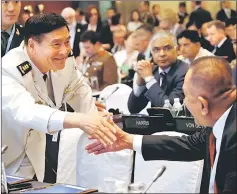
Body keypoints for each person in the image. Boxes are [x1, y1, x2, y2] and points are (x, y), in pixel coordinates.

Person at [86, 56, 237, 194]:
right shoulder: (222, 119)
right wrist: (128, 140)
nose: (184, 103)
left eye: (186, 97)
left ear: (203, 105)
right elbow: (192, 144)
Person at [2, 13, 117, 183]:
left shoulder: (64, 59)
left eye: (67, 42)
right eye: (56, 44)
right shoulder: (8, 69)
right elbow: (26, 111)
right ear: (32, 45)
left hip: (37, 150)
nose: (64, 51)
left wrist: (95, 124)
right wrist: (79, 120)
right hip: (7, 154)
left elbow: (77, 88)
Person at [128, 30, 189, 113]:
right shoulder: (153, 70)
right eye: (156, 49)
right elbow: (133, 109)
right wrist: (140, 84)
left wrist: (149, 79)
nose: (162, 54)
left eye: (167, 48)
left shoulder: (185, 71)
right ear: (151, 53)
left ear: (177, 50)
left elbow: (170, 109)